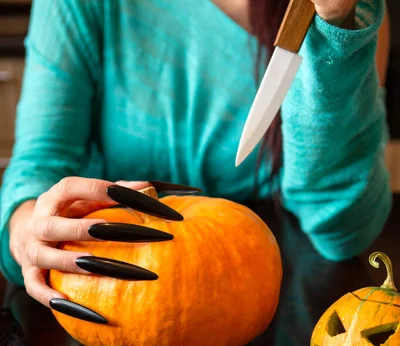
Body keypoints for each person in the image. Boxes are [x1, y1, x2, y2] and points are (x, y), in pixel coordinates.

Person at [0, 0, 392, 323]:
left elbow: (341, 229)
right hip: (113, 292)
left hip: (277, 304)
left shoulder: (350, 11)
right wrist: (27, 229)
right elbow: (41, 160)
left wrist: (336, 28)